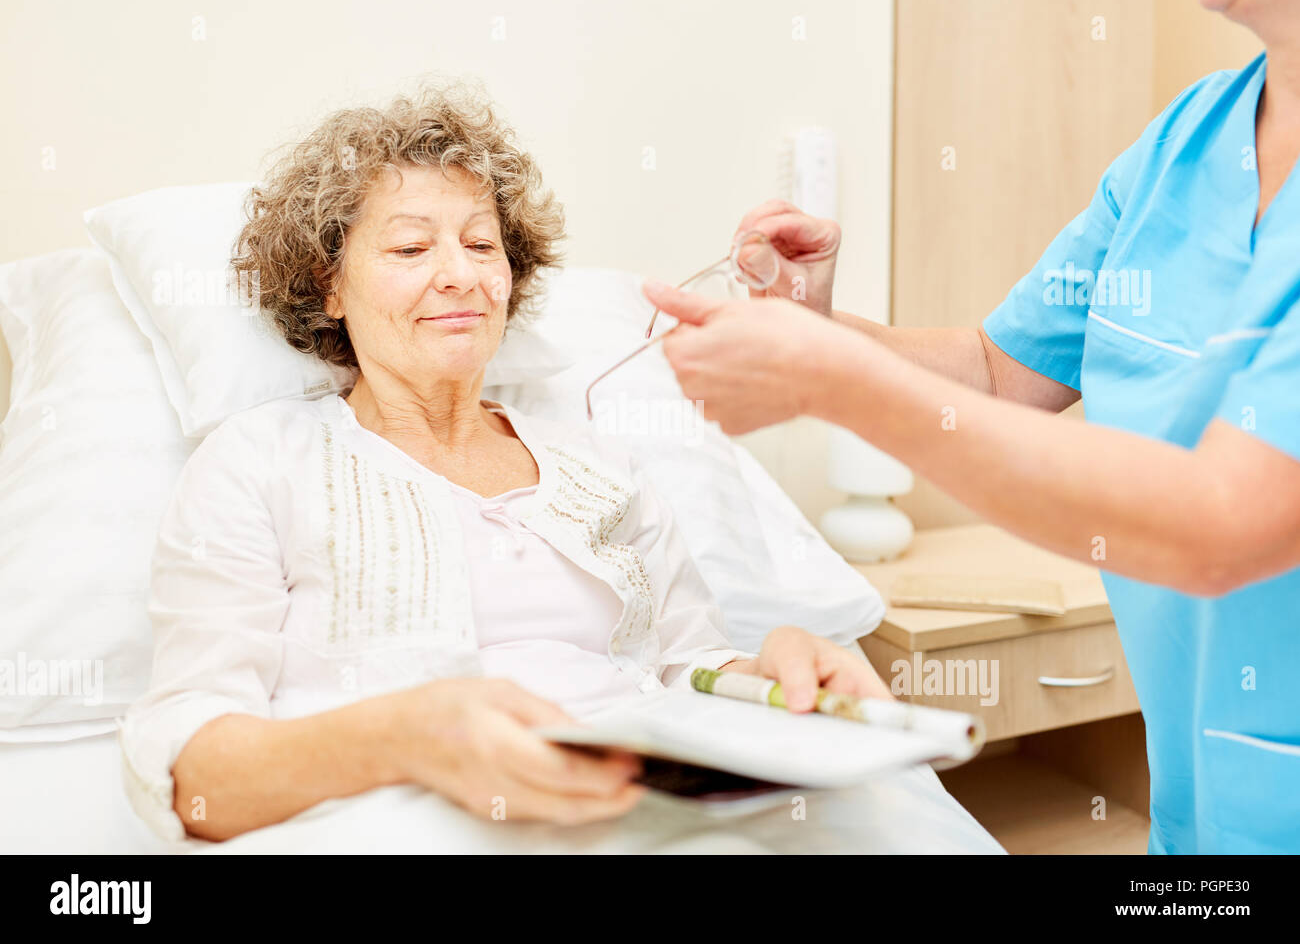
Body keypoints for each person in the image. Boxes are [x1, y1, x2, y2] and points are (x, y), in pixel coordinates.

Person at [119, 84, 998, 853]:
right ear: (331, 286)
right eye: (410, 248)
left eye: (481, 243)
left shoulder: (597, 462)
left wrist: (768, 674)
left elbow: (683, 665)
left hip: (653, 812)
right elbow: (196, 774)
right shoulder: (261, 462)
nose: (460, 274)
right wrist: (409, 736)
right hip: (406, 819)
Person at [642, 0, 1300, 854]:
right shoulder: (1188, 141)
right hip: (1205, 832)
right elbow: (1001, 370)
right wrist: (819, 335)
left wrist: (833, 383)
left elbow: (1225, 527)